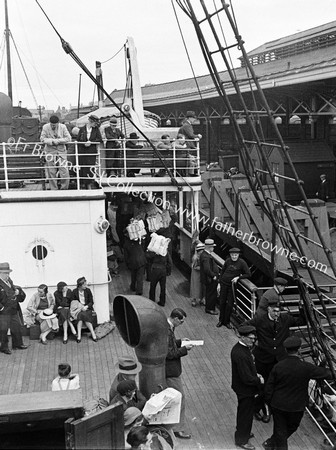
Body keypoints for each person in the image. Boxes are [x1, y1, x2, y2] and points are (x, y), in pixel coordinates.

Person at [263, 336, 332, 450]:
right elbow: (326, 374)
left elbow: (269, 387)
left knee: (280, 431)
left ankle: (271, 443)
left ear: (285, 350)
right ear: (299, 349)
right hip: (297, 406)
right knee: (292, 427)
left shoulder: (278, 366)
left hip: (278, 404)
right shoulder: (306, 367)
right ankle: (273, 444)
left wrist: (270, 402)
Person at [245, 298, 306, 423]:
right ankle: (260, 408)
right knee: (263, 385)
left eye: (279, 311)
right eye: (274, 311)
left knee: (275, 385)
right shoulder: (260, 320)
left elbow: (301, 321)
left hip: (279, 359)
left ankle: (264, 408)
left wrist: (302, 308)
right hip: (263, 359)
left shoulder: (285, 319)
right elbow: (244, 326)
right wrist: (252, 340)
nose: (277, 314)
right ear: (268, 309)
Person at [231, 325, 263, 450]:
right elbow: (246, 377)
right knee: (245, 414)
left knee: (245, 412)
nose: (253, 341)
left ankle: (243, 433)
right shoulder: (241, 354)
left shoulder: (242, 349)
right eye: (250, 338)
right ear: (243, 337)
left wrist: (255, 374)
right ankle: (241, 440)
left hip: (241, 387)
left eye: (254, 339)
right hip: (244, 389)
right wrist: (258, 379)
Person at [165, 308, 193, 439]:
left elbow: (170, 346)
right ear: (175, 319)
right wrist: (184, 349)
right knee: (180, 397)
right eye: (181, 321)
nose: (181, 323)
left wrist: (180, 341)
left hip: (168, 370)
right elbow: (169, 353)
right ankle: (178, 428)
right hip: (171, 371)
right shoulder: (167, 331)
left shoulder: (167, 328)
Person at [217, 248, 251, 329]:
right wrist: (219, 283)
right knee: (222, 303)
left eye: (236, 255)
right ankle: (221, 320)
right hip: (223, 284)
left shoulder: (242, 263)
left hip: (232, 286)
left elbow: (248, 274)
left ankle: (227, 321)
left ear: (238, 255)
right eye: (232, 255)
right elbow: (222, 271)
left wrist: (238, 277)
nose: (234, 256)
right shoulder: (228, 261)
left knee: (229, 304)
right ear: (230, 255)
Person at [0, 262, 27, 354]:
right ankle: (4, 347)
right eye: (5, 273)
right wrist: (1, 308)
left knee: (16, 327)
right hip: (4, 312)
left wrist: (17, 292)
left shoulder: (9, 281)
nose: (7, 275)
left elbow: (12, 291)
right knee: (3, 330)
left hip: (13, 309)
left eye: (8, 273)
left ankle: (18, 344)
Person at [40, 115, 72, 190]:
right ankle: (53, 189)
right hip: (50, 152)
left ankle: (64, 189)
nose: (53, 126)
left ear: (58, 123)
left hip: (61, 152)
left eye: (54, 125)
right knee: (51, 172)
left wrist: (58, 141)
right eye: (51, 125)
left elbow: (68, 138)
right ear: (49, 123)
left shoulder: (63, 127)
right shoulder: (45, 127)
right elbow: (42, 138)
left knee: (64, 171)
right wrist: (51, 141)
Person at [76, 114, 102, 189]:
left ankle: (90, 183)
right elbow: (78, 139)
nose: (95, 124)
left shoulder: (96, 129)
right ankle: (84, 183)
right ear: (90, 122)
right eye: (95, 123)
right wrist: (84, 143)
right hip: (83, 151)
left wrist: (91, 142)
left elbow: (99, 139)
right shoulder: (82, 129)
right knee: (83, 167)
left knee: (91, 167)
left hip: (91, 151)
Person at [71, 277, 97, 343]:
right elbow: (73, 302)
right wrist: (80, 307)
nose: (86, 286)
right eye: (84, 285)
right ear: (80, 285)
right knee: (81, 315)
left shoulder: (88, 291)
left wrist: (86, 306)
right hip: (79, 310)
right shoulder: (74, 291)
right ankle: (92, 334)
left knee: (82, 316)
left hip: (87, 309)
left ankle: (79, 336)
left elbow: (91, 302)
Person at [199, 238, 219, 315]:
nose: (213, 248)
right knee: (211, 294)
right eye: (212, 247)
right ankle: (210, 309)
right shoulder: (205, 256)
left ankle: (209, 308)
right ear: (209, 247)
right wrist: (213, 275)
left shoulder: (205, 255)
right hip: (210, 279)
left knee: (210, 293)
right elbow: (207, 269)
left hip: (209, 279)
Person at [190, 242, 205, 307]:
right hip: (196, 274)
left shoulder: (199, 256)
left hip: (199, 274)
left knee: (200, 287)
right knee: (195, 286)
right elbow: (194, 267)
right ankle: (194, 299)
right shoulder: (196, 258)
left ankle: (200, 298)